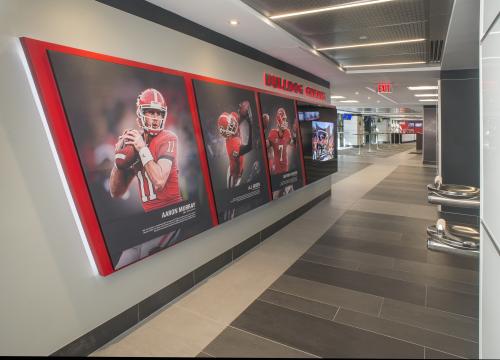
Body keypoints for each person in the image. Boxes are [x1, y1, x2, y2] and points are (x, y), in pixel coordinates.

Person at [109, 88, 182, 212]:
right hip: (151, 219)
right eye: (151, 112)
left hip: (172, 215)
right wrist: (118, 163)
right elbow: (116, 192)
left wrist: (142, 148)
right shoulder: (134, 141)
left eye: (159, 113)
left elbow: (159, 181)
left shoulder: (167, 138)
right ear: (140, 114)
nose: (156, 117)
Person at [217, 100, 253, 220]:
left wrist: (244, 112)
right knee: (231, 195)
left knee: (231, 194)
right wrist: (250, 123)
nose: (232, 128)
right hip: (235, 172)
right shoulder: (233, 144)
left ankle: (227, 210)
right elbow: (249, 147)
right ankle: (228, 214)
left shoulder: (232, 116)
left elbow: (237, 118)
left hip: (236, 169)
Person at [264, 107, 297, 175]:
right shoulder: (273, 132)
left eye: (285, 119)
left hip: (285, 168)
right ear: (278, 120)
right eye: (283, 119)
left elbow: (294, 144)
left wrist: (295, 133)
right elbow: (266, 146)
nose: (284, 121)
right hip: (275, 168)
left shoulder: (287, 132)